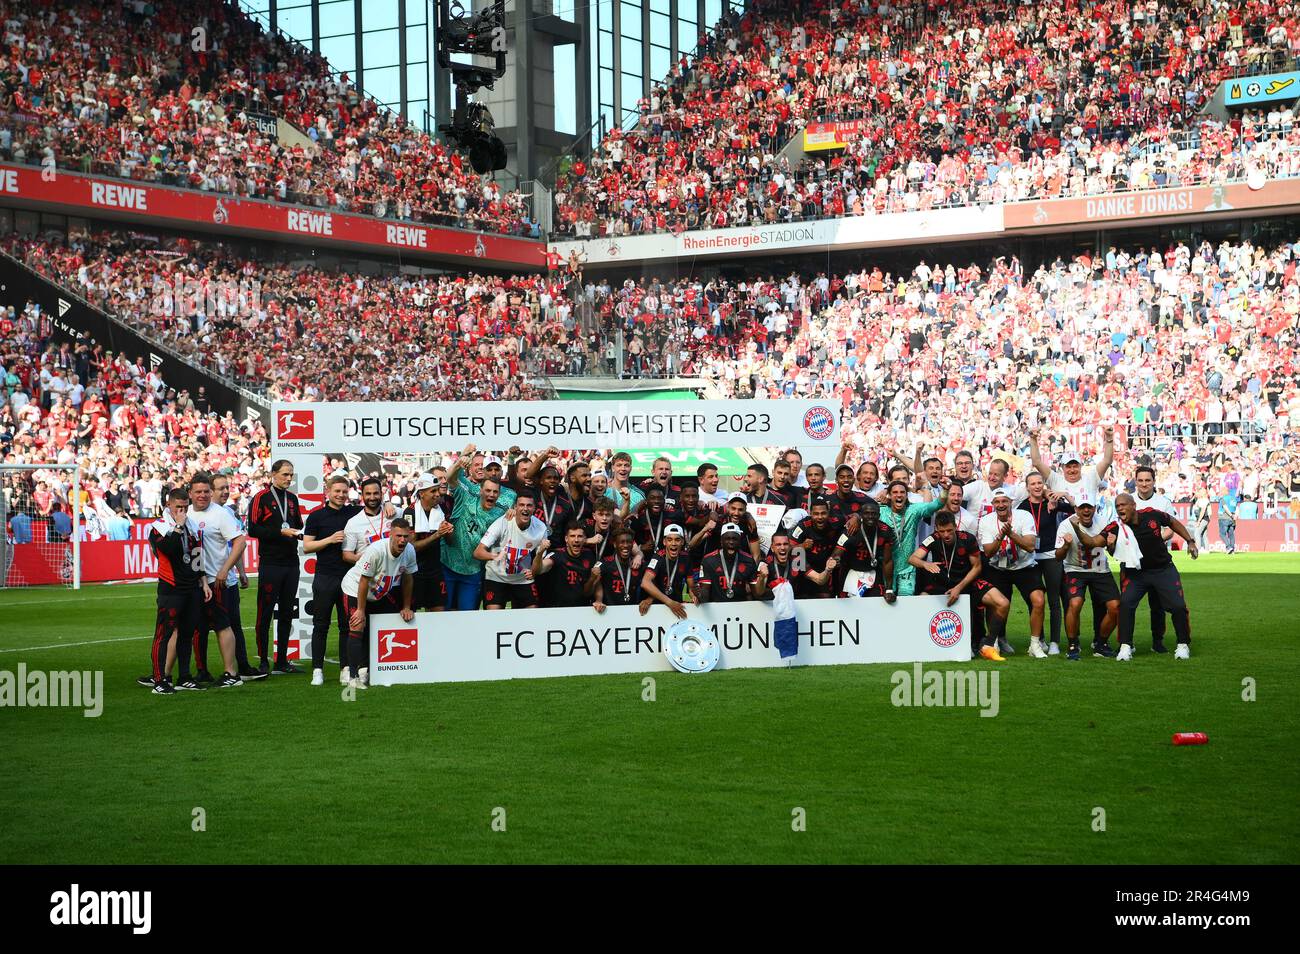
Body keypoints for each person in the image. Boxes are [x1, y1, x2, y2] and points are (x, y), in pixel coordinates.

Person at [1103, 493, 1199, 661]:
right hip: (1135, 573)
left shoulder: (1152, 514)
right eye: (1117, 506)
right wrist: (1108, 545)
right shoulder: (1116, 527)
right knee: (1125, 605)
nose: (1120, 509)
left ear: (1133, 505)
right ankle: (1125, 646)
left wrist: (1190, 541)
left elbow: (1172, 522)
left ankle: (1182, 644)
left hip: (1162, 569)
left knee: (1177, 606)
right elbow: (1104, 547)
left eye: (1123, 505)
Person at [910, 510, 1011, 661]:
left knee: (1003, 603)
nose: (946, 535)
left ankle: (988, 645)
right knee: (922, 599)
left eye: (950, 530)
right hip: (942, 584)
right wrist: (925, 563)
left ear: (955, 526)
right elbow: (912, 558)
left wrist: (959, 587)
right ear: (936, 529)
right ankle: (926, 645)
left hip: (967, 582)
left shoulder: (967, 539)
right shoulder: (932, 539)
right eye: (942, 531)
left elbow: (977, 567)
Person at [138, 488, 205, 694]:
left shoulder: (190, 526)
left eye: (185, 507)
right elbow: (167, 549)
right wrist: (177, 526)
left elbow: (196, 553)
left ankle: (184, 676)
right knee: (164, 634)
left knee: (187, 634)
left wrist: (203, 580)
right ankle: (159, 680)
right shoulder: (158, 527)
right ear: (169, 505)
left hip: (192, 588)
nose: (182, 511)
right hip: (171, 588)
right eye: (178, 507)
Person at [185, 473, 248, 688]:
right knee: (198, 628)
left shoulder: (221, 514)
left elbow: (240, 542)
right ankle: (202, 671)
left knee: (223, 626)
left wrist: (225, 569)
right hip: (195, 583)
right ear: (190, 493)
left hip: (218, 581)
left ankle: (231, 673)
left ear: (210, 493)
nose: (202, 495)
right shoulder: (184, 514)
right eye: (198, 492)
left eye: (206, 492)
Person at [340, 518, 418, 689]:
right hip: (355, 588)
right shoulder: (376, 551)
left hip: (379, 592)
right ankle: (351, 678)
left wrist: (406, 606)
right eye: (398, 536)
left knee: (384, 626)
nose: (402, 540)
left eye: (406, 536)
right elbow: (363, 581)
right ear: (391, 534)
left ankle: (370, 670)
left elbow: (408, 578)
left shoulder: (410, 551)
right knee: (358, 625)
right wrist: (360, 610)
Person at [303, 475, 364, 686]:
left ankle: (345, 669)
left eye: (344, 491)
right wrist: (329, 540)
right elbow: (307, 546)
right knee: (320, 625)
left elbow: (377, 512)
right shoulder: (316, 516)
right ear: (327, 491)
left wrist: (390, 508)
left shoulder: (355, 512)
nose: (341, 495)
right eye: (337, 491)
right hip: (325, 577)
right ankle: (317, 670)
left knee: (346, 626)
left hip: (349, 578)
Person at [247, 459, 304, 675]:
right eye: (285, 474)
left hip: (291, 562)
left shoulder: (292, 499)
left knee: (287, 613)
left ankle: (282, 660)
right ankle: (263, 660)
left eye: (291, 475)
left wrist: (295, 531)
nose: (289, 479)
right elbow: (252, 529)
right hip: (271, 563)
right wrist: (279, 532)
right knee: (265, 613)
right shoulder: (260, 498)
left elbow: (297, 524)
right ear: (273, 474)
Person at [978, 487, 1048, 658]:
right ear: (993, 504)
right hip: (998, 568)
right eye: (997, 502)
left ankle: (1035, 644)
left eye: (1004, 501)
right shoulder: (986, 521)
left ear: (1011, 502)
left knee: (1038, 600)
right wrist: (1001, 537)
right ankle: (993, 642)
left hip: (1024, 566)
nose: (1001, 504)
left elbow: (1030, 545)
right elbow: (987, 552)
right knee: (994, 604)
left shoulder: (1024, 516)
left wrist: (1011, 534)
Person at [1053, 492, 1119, 659]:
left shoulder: (1104, 522)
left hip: (1100, 569)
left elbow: (1107, 549)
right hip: (1075, 569)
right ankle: (1073, 644)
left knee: (1115, 607)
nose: (1086, 511)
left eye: (1089, 507)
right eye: (1082, 507)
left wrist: (1111, 546)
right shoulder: (1065, 525)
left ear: (1095, 508)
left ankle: (1101, 643)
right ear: (1076, 509)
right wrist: (1066, 545)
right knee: (1075, 603)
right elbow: (1058, 556)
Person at [443, 446, 509, 610]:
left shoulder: (501, 512)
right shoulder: (466, 496)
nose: (491, 495)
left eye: (495, 492)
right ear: (480, 490)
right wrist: (461, 459)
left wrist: (513, 512)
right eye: (487, 490)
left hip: (473, 571)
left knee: (467, 615)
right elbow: (450, 478)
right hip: (448, 563)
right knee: (443, 612)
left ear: (499, 494)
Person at [1017, 471, 1072, 655]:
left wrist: (1062, 495)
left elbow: (1075, 509)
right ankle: (1039, 639)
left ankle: (1055, 641)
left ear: (1044, 485)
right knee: (1034, 601)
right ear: (1027, 487)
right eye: (1033, 483)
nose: (1037, 486)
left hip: (1050, 555)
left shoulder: (1052, 504)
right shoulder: (1022, 507)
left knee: (1054, 600)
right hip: (1031, 557)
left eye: (1040, 483)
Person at [211, 473, 257, 676]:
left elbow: (236, 544)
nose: (226, 491)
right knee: (201, 629)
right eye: (221, 488)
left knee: (235, 625)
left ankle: (243, 666)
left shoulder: (228, 512)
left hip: (227, 581)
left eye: (226, 487)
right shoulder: (198, 514)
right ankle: (200, 671)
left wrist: (242, 572)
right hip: (207, 580)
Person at [475, 491, 550, 609]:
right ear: (515, 507)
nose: (525, 508)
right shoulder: (503, 522)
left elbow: (539, 566)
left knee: (534, 614)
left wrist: (538, 558)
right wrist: (496, 556)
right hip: (496, 577)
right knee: (493, 617)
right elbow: (478, 552)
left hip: (522, 579)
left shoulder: (541, 528)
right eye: (521, 505)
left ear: (534, 508)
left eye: (529, 505)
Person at [1133, 464, 1176, 652]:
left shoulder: (1163, 502)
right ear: (1135, 482)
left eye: (1147, 480)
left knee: (1157, 606)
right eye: (1140, 480)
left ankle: (1157, 641)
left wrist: (1153, 539)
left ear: (1154, 482)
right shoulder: (1128, 500)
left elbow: (1170, 528)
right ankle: (1127, 642)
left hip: (1157, 561)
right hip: (1133, 562)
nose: (1144, 484)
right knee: (1127, 605)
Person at [878, 478, 944, 596]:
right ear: (889, 495)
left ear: (906, 495)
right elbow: (863, 510)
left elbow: (936, 505)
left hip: (907, 568)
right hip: (886, 567)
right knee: (887, 604)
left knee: (906, 602)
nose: (899, 495)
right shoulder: (880, 512)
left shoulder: (913, 510)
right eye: (895, 492)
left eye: (902, 492)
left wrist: (946, 491)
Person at [407, 473, 453, 616]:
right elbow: (412, 547)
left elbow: (450, 542)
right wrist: (437, 535)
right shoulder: (410, 512)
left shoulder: (441, 510)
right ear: (421, 493)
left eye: (437, 490)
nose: (437, 494)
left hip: (435, 570)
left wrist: (449, 532)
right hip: (415, 572)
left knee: (437, 615)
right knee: (410, 615)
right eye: (432, 491)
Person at [833, 499, 896, 601]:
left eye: (873, 514)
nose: (870, 517)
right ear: (861, 516)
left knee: (877, 601)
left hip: (872, 572)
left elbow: (887, 561)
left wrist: (889, 589)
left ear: (879, 516)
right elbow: (836, 553)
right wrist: (836, 559)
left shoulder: (885, 531)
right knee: (849, 605)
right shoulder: (851, 530)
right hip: (851, 571)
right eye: (866, 513)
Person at [789, 498, 843, 598]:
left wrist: (856, 518)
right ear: (810, 514)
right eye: (816, 514)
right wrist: (802, 546)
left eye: (823, 513)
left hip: (826, 568)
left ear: (829, 513)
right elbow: (787, 549)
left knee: (825, 599)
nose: (820, 517)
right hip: (805, 568)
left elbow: (851, 524)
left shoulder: (837, 521)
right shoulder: (802, 526)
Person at [696, 523, 763, 603]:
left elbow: (756, 594)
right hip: (716, 608)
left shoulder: (748, 560)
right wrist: (698, 594)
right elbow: (705, 592)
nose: (731, 542)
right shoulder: (709, 560)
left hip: (740, 608)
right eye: (727, 539)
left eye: (735, 539)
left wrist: (763, 578)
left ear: (740, 541)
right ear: (721, 541)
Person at [536, 521, 598, 607]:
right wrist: (540, 553)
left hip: (581, 609)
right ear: (566, 539)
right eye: (572, 536)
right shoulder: (556, 555)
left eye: (580, 536)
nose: (576, 540)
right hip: (557, 608)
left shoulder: (589, 555)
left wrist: (592, 578)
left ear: (584, 539)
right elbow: (538, 570)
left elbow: (587, 593)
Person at [638, 524, 693, 619]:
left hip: (677, 606)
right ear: (664, 542)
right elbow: (645, 583)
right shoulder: (658, 557)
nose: (673, 543)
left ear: (682, 542)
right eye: (670, 539)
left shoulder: (686, 557)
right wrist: (669, 602)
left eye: (677, 540)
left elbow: (691, 585)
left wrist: (694, 595)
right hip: (658, 605)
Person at [592, 528, 645, 611]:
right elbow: (596, 581)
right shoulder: (605, 563)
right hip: (609, 613)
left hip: (634, 614)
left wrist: (649, 600)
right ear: (615, 544)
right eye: (622, 542)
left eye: (629, 542)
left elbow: (650, 583)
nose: (626, 545)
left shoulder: (639, 564)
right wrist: (599, 600)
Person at [1218, 485, 1239, 554]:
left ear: (1224, 491)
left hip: (1224, 517)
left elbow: (1225, 507)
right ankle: (1232, 549)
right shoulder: (1233, 499)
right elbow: (1237, 508)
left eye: (1221, 491)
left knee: (1222, 534)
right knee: (1231, 534)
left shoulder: (1223, 499)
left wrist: (1230, 514)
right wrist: (1235, 516)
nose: (1220, 492)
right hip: (1232, 518)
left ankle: (1228, 547)